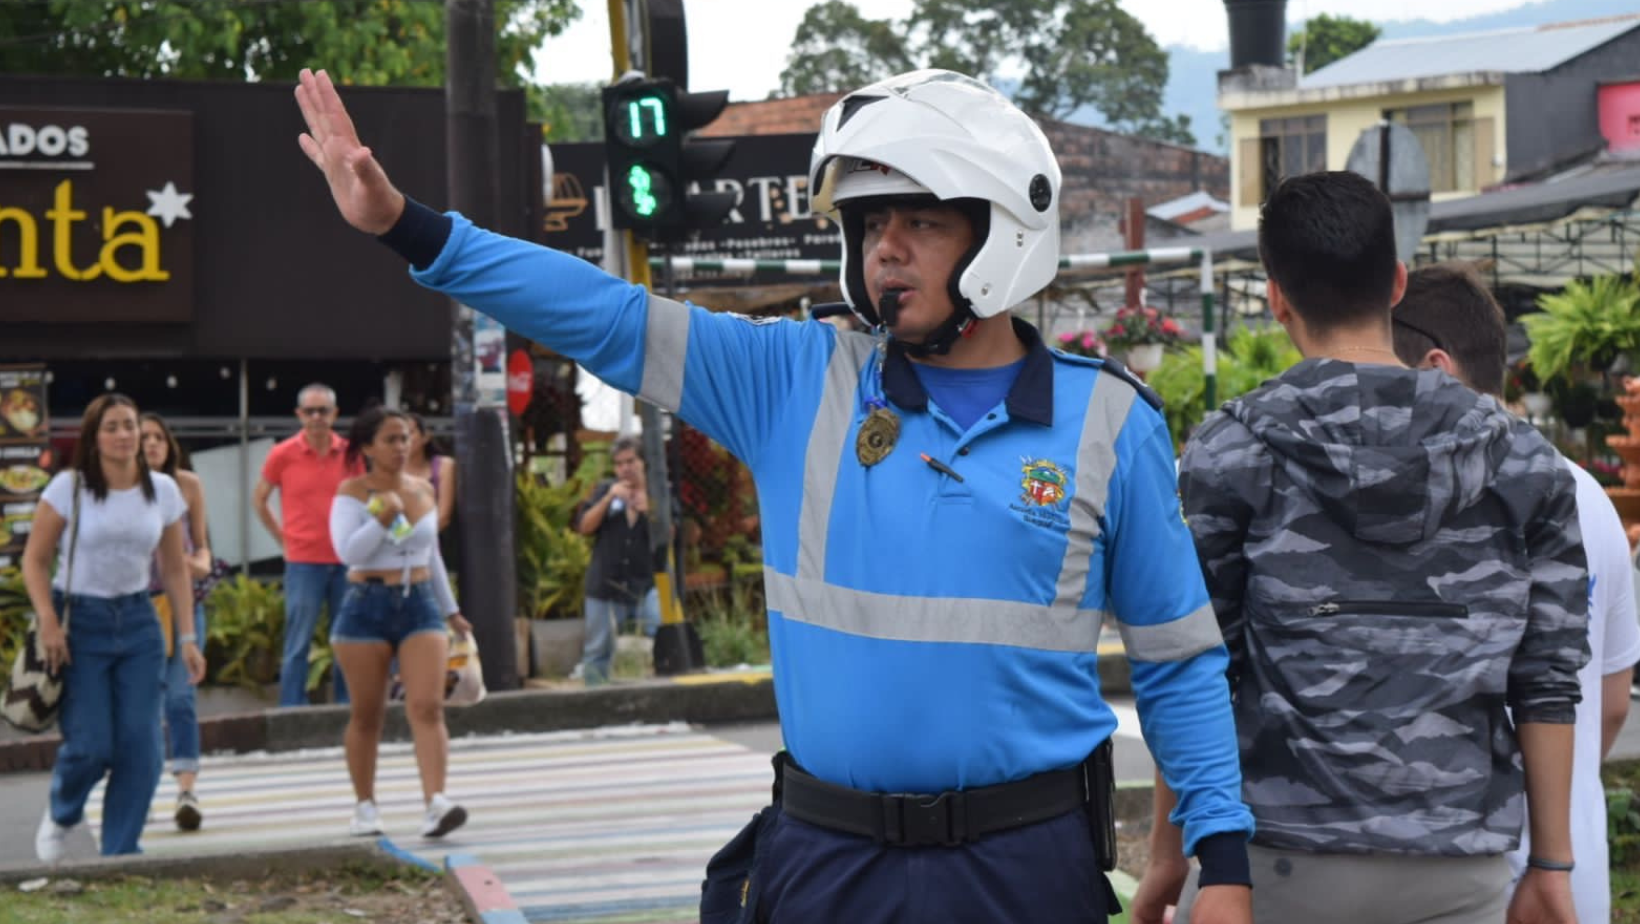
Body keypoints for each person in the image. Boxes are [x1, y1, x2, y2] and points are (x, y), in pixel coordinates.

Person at [296, 66, 1254, 922]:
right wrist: (408, 228)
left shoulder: (1108, 425)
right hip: (827, 866)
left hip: (1025, 869)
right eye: (872, 223)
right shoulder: (795, 379)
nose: (886, 249)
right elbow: (602, 314)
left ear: (1002, 234)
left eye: (921, 221)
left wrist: (1224, 860)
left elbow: (1177, 664)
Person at [1137, 172, 1589, 924]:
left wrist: (1166, 852)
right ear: (1399, 282)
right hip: (1462, 864)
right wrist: (1551, 863)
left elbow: (1196, 668)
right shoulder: (1523, 461)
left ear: (1275, 296)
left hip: (1277, 862)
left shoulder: (1232, 452)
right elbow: (1547, 680)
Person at [1390, 262, 1640, 924]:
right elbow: (1612, 703)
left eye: (1382, 374)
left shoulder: (1411, 504)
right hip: (1568, 878)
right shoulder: (1590, 497)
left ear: (1436, 370)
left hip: (1459, 883)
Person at [24, 394, 207, 860]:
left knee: (142, 749)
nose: (125, 435)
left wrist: (187, 638)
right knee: (90, 744)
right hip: (79, 624)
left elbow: (173, 567)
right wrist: (48, 620)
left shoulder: (163, 490)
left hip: (140, 623)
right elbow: (35, 560)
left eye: (130, 425)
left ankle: (120, 855)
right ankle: (64, 812)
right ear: (94, 436)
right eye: (113, 427)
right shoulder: (69, 488)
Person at [328, 403, 472, 838]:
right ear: (368, 446)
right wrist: (382, 518)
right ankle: (365, 804)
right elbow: (348, 553)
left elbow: (432, 554)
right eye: (390, 439)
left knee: (427, 706)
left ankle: (436, 801)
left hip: (420, 601)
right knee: (367, 714)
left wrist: (451, 611)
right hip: (365, 602)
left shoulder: (424, 489)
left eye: (406, 437)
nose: (401, 446)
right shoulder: (351, 493)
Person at [254, 382, 359, 707]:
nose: (316, 417)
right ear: (299, 415)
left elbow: (366, 498)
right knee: (298, 642)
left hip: (345, 559)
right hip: (303, 561)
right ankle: (292, 711)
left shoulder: (350, 453)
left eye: (323, 410)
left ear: (335, 414)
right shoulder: (282, 454)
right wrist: (283, 539)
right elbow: (259, 500)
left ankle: (346, 707)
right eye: (310, 411)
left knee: (347, 640)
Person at [140, 412, 214, 832]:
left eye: (158, 438)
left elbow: (202, 549)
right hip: (137, 607)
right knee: (142, 703)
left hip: (183, 604)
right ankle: (141, 788)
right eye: (144, 437)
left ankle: (187, 789)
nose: (151, 444)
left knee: (181, 699)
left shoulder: (187, 485)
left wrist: (192, 564)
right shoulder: (120, 490)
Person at [573, 435, 662, 685]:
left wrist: (651, 510)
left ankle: (658, 689)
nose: (625, 468)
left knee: (660, 633)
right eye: (619, 463)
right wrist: (608, 499)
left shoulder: (659, 493)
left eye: (631, 461)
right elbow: (584, 527)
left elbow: (678, 533)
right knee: (597, 648)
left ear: (643, 462)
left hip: (647, 583)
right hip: (604, 584)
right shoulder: (606, 490)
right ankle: (594, 697)